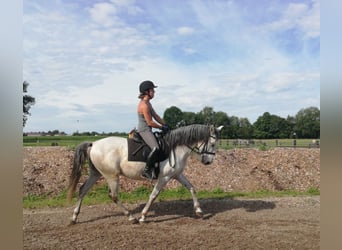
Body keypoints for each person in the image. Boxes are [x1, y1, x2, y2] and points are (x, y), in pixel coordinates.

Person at [137, 80, 169, 180]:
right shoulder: (144, 106)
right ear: (147, 92)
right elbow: (150, 122)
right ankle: (146, 171)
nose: (154, 92)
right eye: (152, 90)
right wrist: (161, 127)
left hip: (148, 129)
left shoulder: (148, 103)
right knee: (156, 148)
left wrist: (166, 124)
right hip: (144, 130)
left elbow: (156, 116)